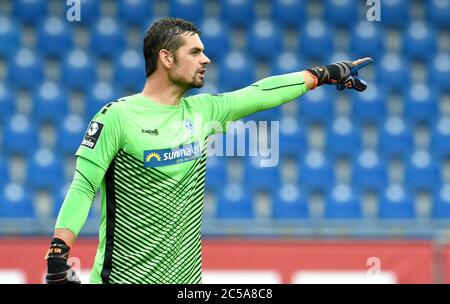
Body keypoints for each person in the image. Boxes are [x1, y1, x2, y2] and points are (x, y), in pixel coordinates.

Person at [44, 17, 372, 284]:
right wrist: (59, 253)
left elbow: (259, 93)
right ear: (166, 57)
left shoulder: (204, 111)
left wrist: (323, 74)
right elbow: (84, 186)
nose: (206, 59)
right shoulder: (116, 116)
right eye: (195, 52)